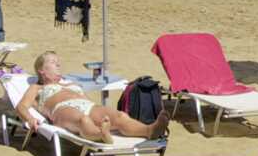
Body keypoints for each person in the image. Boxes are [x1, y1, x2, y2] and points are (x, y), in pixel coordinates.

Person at [13, 51, 168, 143]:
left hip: (87, 105)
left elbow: (86, 99)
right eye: (53, 62)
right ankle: (101, 134)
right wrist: (29, 119)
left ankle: (149, 130)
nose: (58, 65)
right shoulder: (37, 88)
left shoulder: (69, 83)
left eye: (58, 62)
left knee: (119, 116)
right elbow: (21, 106)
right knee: (83, 120)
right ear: (41, 70)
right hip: (61, 109)